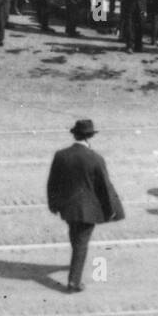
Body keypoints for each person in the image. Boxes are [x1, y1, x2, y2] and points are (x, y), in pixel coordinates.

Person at [46, 119, 125, 293]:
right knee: (81, 243)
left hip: (68, 208)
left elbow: (53, 183)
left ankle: (75, 265)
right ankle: (74, 282)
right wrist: (112, 210)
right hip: (88, 210)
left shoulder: (61, 155)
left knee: (76, 238)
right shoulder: (95, 158)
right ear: (90, 136)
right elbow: (105, 187)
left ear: (74, 134)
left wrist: (53, 204)